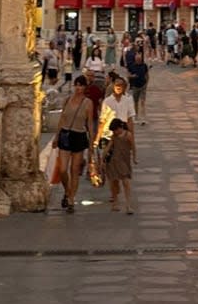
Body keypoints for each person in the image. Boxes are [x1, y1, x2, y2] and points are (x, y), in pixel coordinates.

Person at [52, 75, 94, 213]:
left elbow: (89, 125)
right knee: (63, 169)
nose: (78, 88)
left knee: (74, 170)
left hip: (79, 136)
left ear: (84, 87)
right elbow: (62, 119)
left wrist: (92, 144)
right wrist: (56, 136)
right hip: (65, 134)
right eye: (77, 85)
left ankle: (71, 200)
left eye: (81, 85)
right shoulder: (67, 100)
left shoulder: (88, 103)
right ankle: (67, 191)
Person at [94, 75, 137, 163]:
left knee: (122, 158)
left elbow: (130, 119)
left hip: (122, 131)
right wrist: (97, 138)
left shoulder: (128, 100)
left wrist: (131, 135)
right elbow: (102, 121)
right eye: (116, 85)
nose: (118, 87)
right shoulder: (107, 101)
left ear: (124, 87)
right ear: (113, 87)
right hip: (108, 132)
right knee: (108, 158)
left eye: (121, 85)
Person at [103, 118, 135, 213]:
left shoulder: (128, 135)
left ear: (120, 127)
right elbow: (108, 148)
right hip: (113, 162)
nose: (115, 132)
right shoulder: (114, 137)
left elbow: (133, 146)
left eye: (116, 130)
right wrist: (102, 159)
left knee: (126, 182)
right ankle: (115, 202)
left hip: (124, 161)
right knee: (114, 183)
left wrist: (134, 157)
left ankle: (128, 205)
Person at [127, 50, 150, 125]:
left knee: (142, 102)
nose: (138, 60)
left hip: (143, 85)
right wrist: (132, 76)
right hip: (135, 86)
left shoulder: (144, 65)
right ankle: (136, 116)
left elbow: (147, 75)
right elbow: (128, 75)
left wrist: (146, 83)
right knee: (135, 102)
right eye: (137, 59)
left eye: (139, 59)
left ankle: (143, 118)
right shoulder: (132, 66)